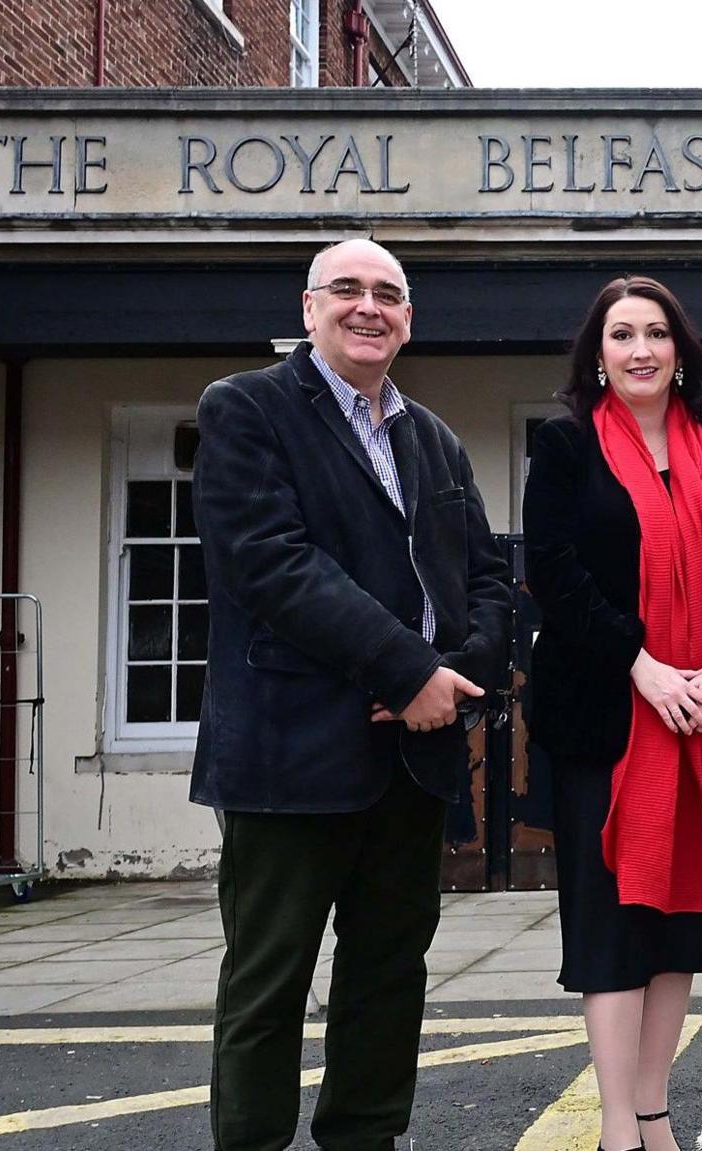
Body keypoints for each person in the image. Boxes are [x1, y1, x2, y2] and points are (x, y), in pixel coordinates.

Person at [192, 238, 512, 1151]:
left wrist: (455, 676)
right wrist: (405, 668)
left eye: (389, 294)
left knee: (387, 973)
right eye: (348, 290)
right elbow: (271, 564)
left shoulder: (434, 438)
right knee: (268, 981)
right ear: (308, 307)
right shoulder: (245, 408)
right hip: (287, 756)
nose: (368, 307)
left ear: (409, 319)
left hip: (411, 759)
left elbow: (486, 578)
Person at [522, 275, 702, 1151]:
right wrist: (643, 666)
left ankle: (654, 1111)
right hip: (609, 720)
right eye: (622, 335)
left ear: (682, 353)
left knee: (679, 927)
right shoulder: (564, 449)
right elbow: (556, 576)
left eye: (657, 334)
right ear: (597, 357)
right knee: (613, 928)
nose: (641, 349)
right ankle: (614, 1129)